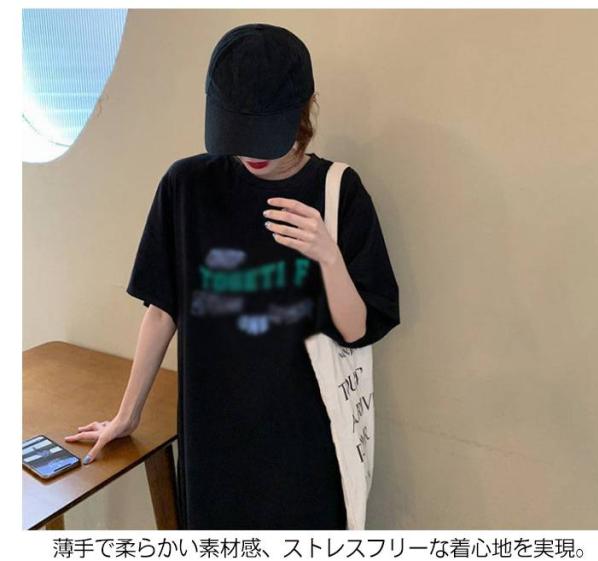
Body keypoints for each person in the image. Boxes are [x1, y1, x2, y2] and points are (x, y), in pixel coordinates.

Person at [64, 23, 400, 530]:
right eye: (238, 132)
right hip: (212, 445)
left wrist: (328, 255)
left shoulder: (339, 192)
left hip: (304, 450)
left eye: (265, 133)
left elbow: (357, 331)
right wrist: (127, 414)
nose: (251, 152)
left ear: (304, 109)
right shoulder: (186, 186)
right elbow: (162, 310)